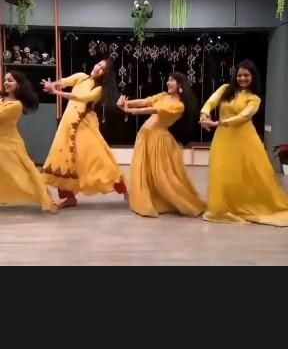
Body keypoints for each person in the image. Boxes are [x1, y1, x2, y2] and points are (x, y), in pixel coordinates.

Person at [200, 59, 288, 226]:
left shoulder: (254, 98)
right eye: (239, 75)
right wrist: (204, 114)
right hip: (223, 138)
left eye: (246, 75)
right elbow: (211, 101)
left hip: (246, 139)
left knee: (248, 173)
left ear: (253, 77)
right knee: (222, 171)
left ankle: (245, 204)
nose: (242, 78)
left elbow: (244, 116)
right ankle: (223, 206)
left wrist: (217, 123)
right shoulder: (225, 89)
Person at [117, 72, 206, 218]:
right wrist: (127, 103)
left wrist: (129, 110)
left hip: (158, 139)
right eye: (168, 80)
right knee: (147, 170)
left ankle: (183, 202)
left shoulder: (179, 105)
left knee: (163, 176)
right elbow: (146, 101)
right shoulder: (163, 96)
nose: (168, 83)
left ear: (180, 85)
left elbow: (154, 110)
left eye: (172, 81)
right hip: (146, 136)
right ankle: (152, 198)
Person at [41, 59, 127, 208]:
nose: (98, 68)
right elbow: (64, 81)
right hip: (68, 122)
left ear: (105, 75)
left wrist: (56, 92)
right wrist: (52, 85)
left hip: (83, 125)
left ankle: (124, 190)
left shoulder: (99, 89)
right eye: (99, 64)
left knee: (98, 157)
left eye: (103, 69)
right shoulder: (81, 77)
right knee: (62, 157)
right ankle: (69, 197)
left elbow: (81, 98)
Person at [0, 71, 57, 213]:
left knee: (23, 175)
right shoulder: (2, 100)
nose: (6, 83)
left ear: (18, 85)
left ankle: (46, 199)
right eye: (5, 80)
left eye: (10, 80)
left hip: (9, 145)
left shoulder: (16, 105)